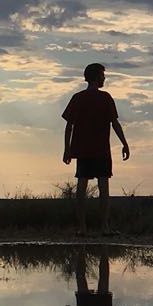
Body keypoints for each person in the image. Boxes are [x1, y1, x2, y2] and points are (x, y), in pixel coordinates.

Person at [62, 62, 130, 235]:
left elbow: (69, 126)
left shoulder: (78, 98)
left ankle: (82, 228)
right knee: (103, 187)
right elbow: (115, 123)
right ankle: (104, 227)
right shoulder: (105, 98)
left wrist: (67, 149)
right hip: (100, 150)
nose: (104, 79)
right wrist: (124, 143)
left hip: (83, 150)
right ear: (95, 77)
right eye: (102, 76)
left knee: (82, 187)